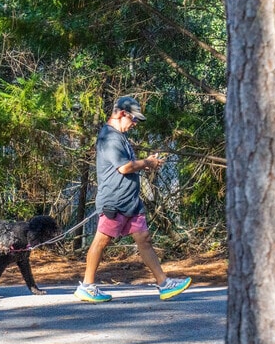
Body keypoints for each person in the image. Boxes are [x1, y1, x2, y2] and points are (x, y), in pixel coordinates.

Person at [74, 96, 191, 303]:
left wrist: (147, 163)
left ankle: (164, 284)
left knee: (144, 239)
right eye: (133, 119)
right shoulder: (109, 138)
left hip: (131, 201)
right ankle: (87, 286)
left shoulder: (120, 136)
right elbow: (124, 167)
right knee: (101, 241)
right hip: (115, 201)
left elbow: (129, 164)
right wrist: (147, 162)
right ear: (120, 114)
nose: (135, 124)